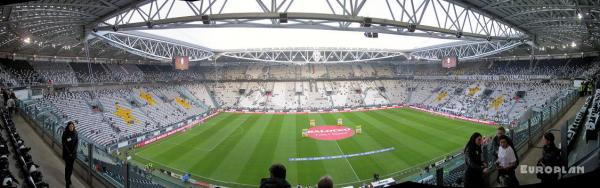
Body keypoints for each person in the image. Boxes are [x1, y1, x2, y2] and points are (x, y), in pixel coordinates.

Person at [62, 121, 79, 188]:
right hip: (67, 154)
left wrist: (73, 152)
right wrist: (69, 152)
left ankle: (69, 179)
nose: (71, 127)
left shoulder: (75, 133)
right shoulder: (65, 133)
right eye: (70, 126)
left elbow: (77, 143)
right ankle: (67, 181)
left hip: (73, 154)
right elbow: (64, 143)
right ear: (68, 127)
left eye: (72, 126)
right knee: (67, 168)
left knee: (71, 168)